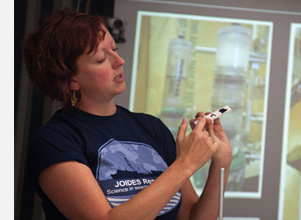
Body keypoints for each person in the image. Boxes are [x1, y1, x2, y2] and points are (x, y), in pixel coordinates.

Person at [23, 8, 232, 220]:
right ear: (71, 80)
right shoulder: (55, 140)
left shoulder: (151, 128)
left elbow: (192, 218)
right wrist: (185, 164)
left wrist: (221, 162)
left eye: (114, 49)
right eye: (101, 58)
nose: (119, 61)